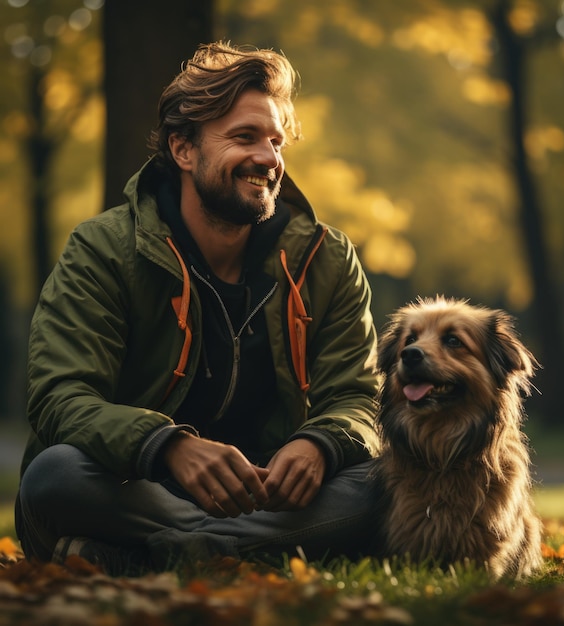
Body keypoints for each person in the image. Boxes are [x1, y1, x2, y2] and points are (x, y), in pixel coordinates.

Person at [15, 42, 382, 575]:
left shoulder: (326, 259)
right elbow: (60, 396)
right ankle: (246, 551)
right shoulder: (102, 250)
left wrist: (322, 444)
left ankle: (154, 558)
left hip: (269, 500)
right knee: (54, 474)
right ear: (183, 150)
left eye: (276, 141)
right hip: (134, 490)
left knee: (382, 481)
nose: (268, 158)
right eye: (244, 137)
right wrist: (165, 446)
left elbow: (359, 396)